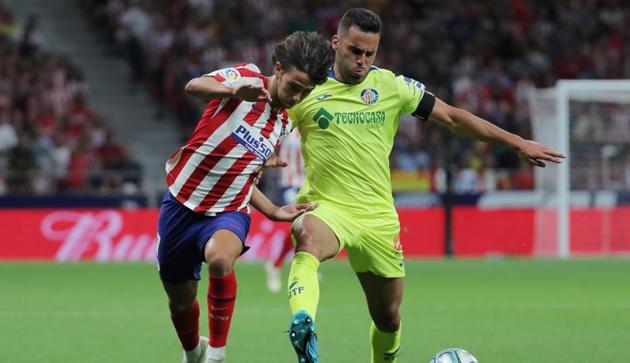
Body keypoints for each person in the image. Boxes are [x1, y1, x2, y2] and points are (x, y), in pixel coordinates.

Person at [284, 8, 565, 363]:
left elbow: (452, 117)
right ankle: (303, 321)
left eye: (370, 53)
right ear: (336, 43)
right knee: (308, 239)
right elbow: (268, 123)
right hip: (327, 208)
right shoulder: (307, 88)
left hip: (377, 218)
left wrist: (515, 142)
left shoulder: (391, 86)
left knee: (388, 317)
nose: (362, 60)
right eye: (355, 50)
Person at [156, 31, 333, 363]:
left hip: (228, 211)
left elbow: (243, 177)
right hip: (181, 204)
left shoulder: (282, 123)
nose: (297, 97)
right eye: (294, 86)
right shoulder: (249, 77)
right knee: (180, 302)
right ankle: (194, 351)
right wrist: (232, 90)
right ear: (278, 69)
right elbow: (193, 86)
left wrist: (273, 211)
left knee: (221, 260)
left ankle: (218, 353)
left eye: (305, 92)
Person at [265, 129, 305, 293]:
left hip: (307, 183)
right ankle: (276, 266)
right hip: (289, 183)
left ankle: (302, 263)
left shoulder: (311, 125)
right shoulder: (288, 127)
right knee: (297, 225)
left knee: (306, 227)